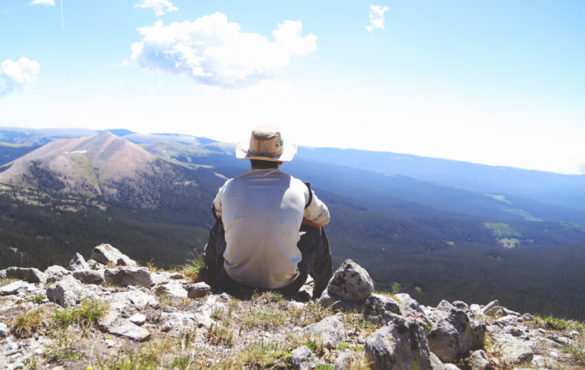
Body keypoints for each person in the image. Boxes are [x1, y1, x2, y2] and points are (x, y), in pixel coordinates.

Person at [202, 125, 332, 299]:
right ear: (281, 159)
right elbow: (324, 219)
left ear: (249, 158)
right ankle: (321, 292)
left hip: (232, 281)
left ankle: (209, 273)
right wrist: (295, 217)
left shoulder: (229, 186)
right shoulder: (300, 188)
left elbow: (217, 213)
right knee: (317, 231)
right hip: (286, 287)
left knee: (220, 223)